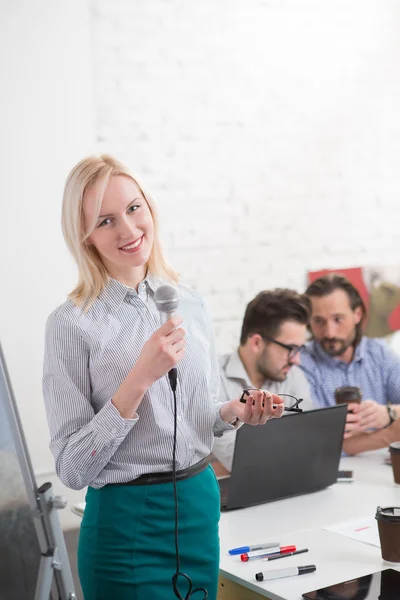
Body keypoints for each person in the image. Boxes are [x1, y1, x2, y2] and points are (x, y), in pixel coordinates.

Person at [42, 154, 285, 600]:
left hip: (197, 506)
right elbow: (73, 468)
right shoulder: (71, 324)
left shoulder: (189, 303)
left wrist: (232, 413)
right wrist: (138, 379)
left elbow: (202, 413)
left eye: (135, 209)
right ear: (85, 236)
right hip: (125, 524)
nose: (129, 230)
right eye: (105, 220)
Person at [212, 289, 313, 473]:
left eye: (299, 350)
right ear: (257, 343)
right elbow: (239, 461)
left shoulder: (293, 376)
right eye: (290, 349)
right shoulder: (213, 379)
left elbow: (309, 444)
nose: (296, 360)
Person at [300, 273, 400, 455]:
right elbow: (314, 441)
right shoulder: (301, 364)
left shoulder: (379, 353)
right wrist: (389, 434)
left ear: (357, 314)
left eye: (338, 319)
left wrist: (390, 413)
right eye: (319, 321)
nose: (329, 332)